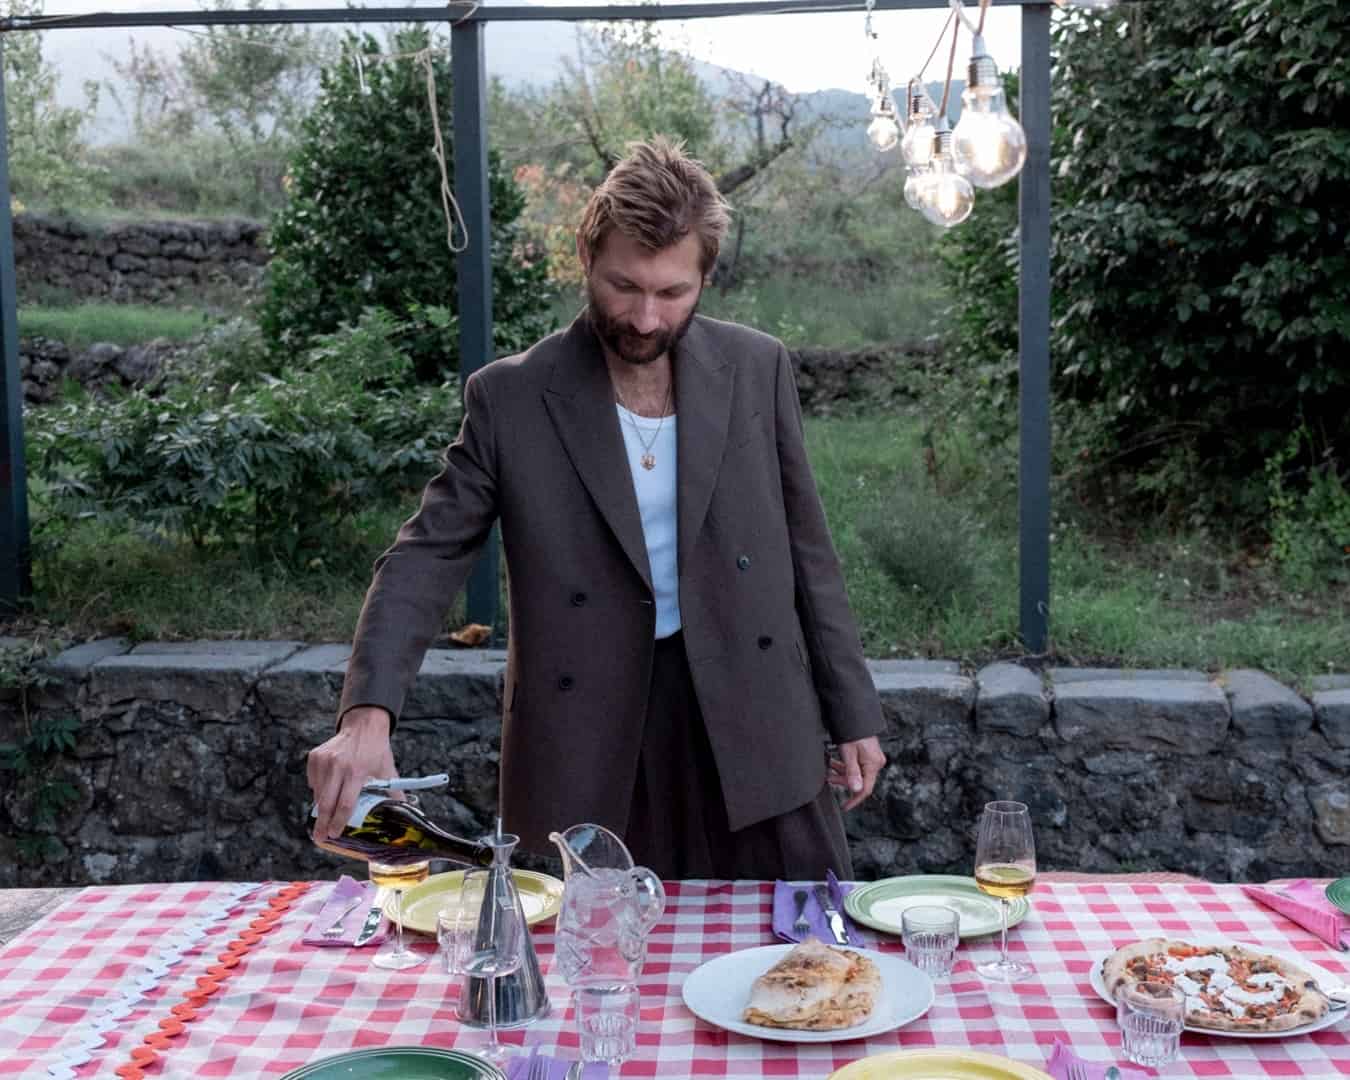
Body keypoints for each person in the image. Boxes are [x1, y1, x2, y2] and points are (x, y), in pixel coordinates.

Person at [308, 137, 886, 880]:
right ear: (586, 253)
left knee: (798, 954)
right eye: (625, 287)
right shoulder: (510, 397)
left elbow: (809, 551)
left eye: (672, 293)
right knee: (595, 963)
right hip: (591, 729)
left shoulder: (756, 367)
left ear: (706, 275)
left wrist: (853, 712)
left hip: (753, 712)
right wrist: (366, 717)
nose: (645, 318)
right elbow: (425, 554)